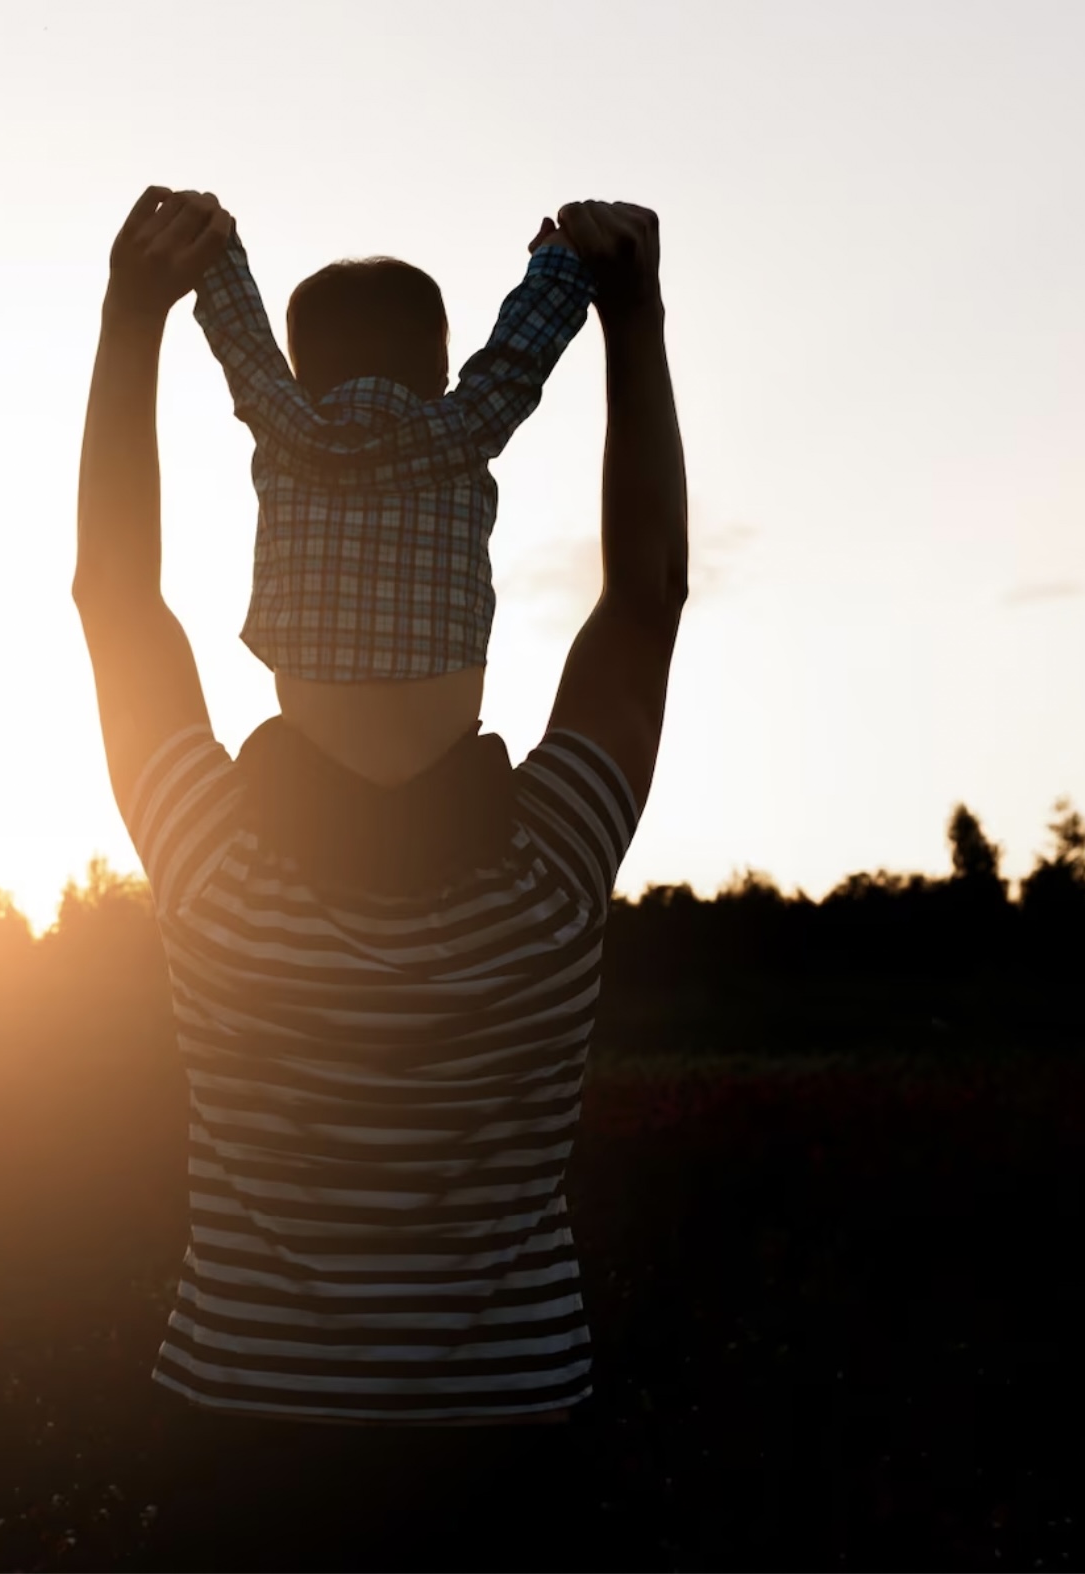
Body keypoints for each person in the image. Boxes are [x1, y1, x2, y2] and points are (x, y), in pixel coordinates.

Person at [73, 186, 686, 1559]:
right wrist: (631, 323)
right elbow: (645, 599)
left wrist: (131, 321)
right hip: (507, 1446)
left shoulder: (210, 861)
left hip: (240, 1439)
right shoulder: (550, 865)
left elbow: (114, 594)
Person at [187, 212, 596, 785]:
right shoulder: (465, 427)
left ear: (301, 379)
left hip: (310, 775)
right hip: (446, 772)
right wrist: (561, 262)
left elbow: (242, 340)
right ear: (441, 372)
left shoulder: (287, 429)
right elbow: (517, 358)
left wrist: (213, 246)